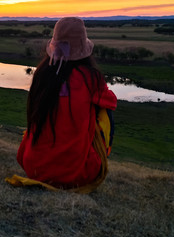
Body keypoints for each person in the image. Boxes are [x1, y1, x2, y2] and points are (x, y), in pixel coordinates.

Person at [15, 17, 117, 190]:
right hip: (76, 174)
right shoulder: (90, 78)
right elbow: (111, 102)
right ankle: (92, 155)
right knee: (105, 112)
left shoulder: (42, 73)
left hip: (34, 168)